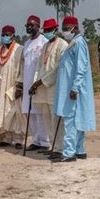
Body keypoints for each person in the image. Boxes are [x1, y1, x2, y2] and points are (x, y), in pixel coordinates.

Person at [52, 16, 96, 162]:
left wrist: (75, 88)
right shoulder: (73, 43)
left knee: (70, 120)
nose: (64, 31)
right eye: (63, 29)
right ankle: (79, 150)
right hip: (71, 88)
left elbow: (81, 68)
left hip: (73, 89)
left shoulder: (78, 43)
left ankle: (69, 153)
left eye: (66, 29)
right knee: (76, 119)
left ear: (74, 28)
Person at [29, 19, 68, 158]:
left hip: (55, 87)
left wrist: (41, 81)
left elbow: (58, 68)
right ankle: (52, 146)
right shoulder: (45, 46)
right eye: (45, 30)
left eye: (49, 30)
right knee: (46, 117)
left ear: (56, 30)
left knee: (56, 118)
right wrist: (35, 83)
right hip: (42, 89)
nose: (46, 32)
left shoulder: (62, 45)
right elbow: (39, 67)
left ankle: (59, 148)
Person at [17, 15, 49, 151]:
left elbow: (45, 65)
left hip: (39, 83)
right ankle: (36, 140)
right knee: (31, 113)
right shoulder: (26, 43)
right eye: (27, 25)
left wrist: (39, 82)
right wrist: (21, 83)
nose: (29, 27)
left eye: (32, 25)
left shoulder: (44, 42)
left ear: (38, 26)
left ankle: (45, 142)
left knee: (40, 113)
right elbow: (23, 65)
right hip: (27, 83)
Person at [0, 25, 26, 149]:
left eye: (7, 34)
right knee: (2, 111)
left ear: (13, 35)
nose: (5, 37)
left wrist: (20, 85)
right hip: (2, 86)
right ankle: (5, 137)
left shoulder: (19, 49)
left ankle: (18, 139)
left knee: (14, 112)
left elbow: (22, 69)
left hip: (14, 85)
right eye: (3, 34)